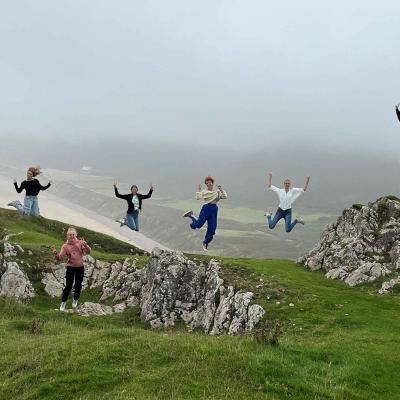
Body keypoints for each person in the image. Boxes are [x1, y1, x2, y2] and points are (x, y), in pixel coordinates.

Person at [183, 176, 227, 251]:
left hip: (214, 209)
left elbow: (225, 196)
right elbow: (197, 197)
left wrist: (221, 189)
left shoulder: (217, 192)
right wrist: (199, 189)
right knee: (199, 225)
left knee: (212, 229)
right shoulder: (204, 192)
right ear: (206, 184)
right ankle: (191, 216)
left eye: (210, 182)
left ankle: (205, 242)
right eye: (207, 183)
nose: (208, 184)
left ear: (212, 183)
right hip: (206, 208)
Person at [52, 227, 91, 312]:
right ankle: (63, 303)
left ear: (76, 235)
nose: (72, 236)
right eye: (70, 234)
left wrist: (86, 245)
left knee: (78, 285)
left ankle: (75, 300)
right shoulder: (65, 246)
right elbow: (60, 258)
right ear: (67, 236)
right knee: (68, 286)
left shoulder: (80, 243)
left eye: (73, 234)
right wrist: (55, 253)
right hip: (70, 267)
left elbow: (89, 252)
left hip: (80, 267)